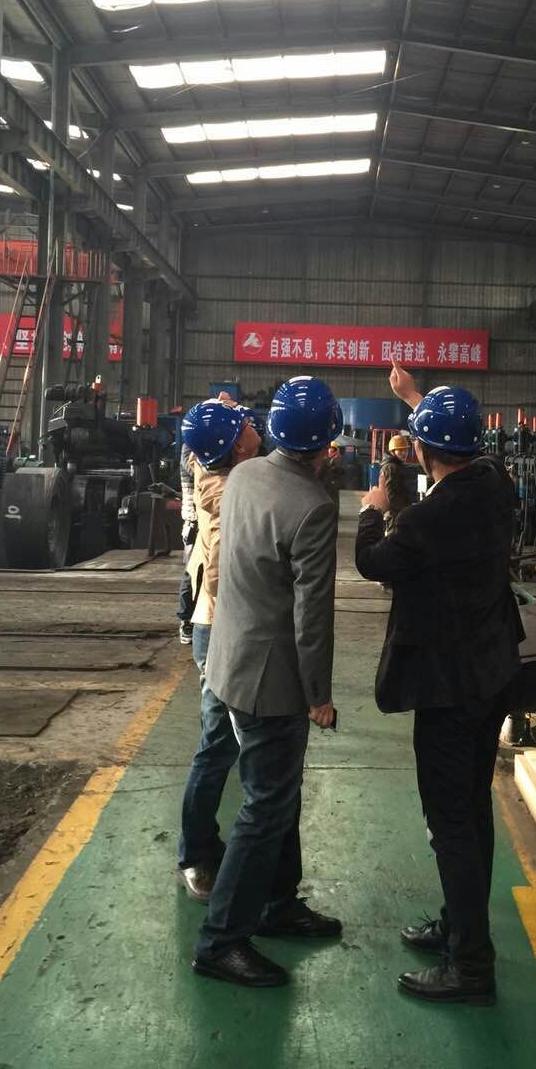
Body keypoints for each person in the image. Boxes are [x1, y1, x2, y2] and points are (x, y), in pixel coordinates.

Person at [355, 365, 523, 1006]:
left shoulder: (426, 520)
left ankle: (470, 967)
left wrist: (372, 510)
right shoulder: (495, 484)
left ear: (424, 451)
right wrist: (413, 398)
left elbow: (374, 562)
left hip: (448, 686)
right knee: (472, 811)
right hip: (491, 674)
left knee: (449, 822)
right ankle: (459, 925)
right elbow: (455, 437)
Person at [192, 376, 344, 989]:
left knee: (279, 794)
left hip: (229, 661)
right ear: (327, 442)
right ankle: (221, 941)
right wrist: (319, 695)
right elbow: (313, 616)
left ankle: (278, 902)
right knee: (263, 807)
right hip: (270, 681)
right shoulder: (314, 507)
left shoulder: (245, 475)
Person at [176, 399, 261, 903]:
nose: (252, 425)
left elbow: (201, 445)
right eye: (243, 425)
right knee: (217, 748)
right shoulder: (229, 496)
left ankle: (202, 846)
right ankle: (196, 855)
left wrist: (219, 412)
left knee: (220, 746)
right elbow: (223, 581)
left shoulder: (214, 470)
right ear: (234, 447)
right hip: (220, 626)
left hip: (216, 625)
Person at [175, 439, 197, 645]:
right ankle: (186, 619)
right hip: (195, 521)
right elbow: (195, 470)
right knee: (192, 571)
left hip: (214, 518)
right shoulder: (189, 447)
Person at [379, 432, 416, 532]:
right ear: (392, 452)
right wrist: (403, 512)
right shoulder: (391, 468)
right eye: (400, 450)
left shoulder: (396, 466)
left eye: (405, 450)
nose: (404, 453)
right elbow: (391, 495)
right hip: (395, 515)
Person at [318, 441, 346, 512]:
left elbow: (339, 470)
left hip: (334, 481)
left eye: (332, 449)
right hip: (328, 481)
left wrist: (330, 467)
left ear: (335, 450)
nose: (330, 450)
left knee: (333, 497)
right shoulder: (328, 458)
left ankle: (335, 511)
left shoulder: (338, 458)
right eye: (329, 448)